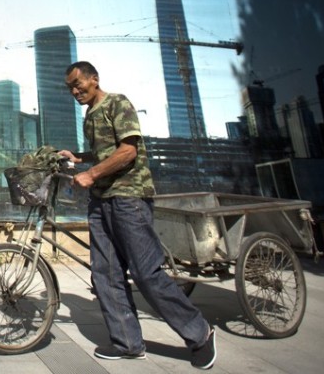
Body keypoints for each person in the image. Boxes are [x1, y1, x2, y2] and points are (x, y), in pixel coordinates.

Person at [58, 61, 216, 369]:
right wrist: (80, 158)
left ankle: (200, 333)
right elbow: (107, 151)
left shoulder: (119, 102)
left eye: (79, 84)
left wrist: (90, 174)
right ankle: (128, 343)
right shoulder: (89, 115)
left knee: (146, 273)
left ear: (95, 78)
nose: (75, 91)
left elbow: (128, 151)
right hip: (101, 200)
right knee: (105, 273)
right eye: (70, 88)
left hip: (129, 197)